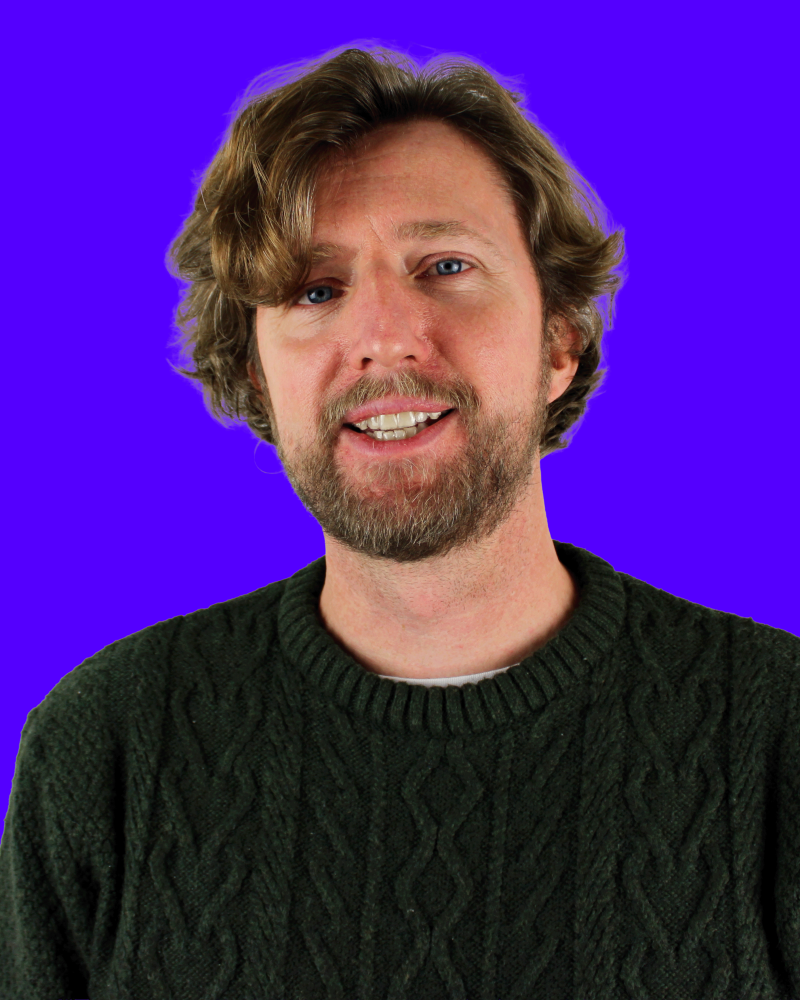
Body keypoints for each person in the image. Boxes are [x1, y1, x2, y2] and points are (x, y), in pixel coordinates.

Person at [2, 44, 798, 1000]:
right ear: (257, 373)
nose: (382, 336)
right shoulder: (105, 751)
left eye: (446, 265)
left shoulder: (776, 734)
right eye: (315, 289)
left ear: (560, 342)